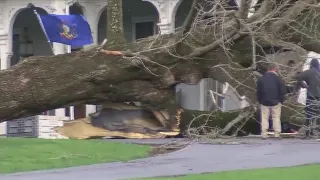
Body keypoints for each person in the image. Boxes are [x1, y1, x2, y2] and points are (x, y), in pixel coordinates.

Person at [257, 63, 286, 139]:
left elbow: (258, 91)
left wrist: (260, 100)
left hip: (264, 101)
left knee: (264, 118)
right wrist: (281, 100)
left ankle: (264, 134)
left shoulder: (262, 79)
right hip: (275, 101)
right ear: (275, 69)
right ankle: (277, 134)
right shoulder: (278, 79)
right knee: (276, 117)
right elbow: (282, 91)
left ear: (268, 69)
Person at [295, 58, 320, 139]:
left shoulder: (309, 72)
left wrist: (304, 85)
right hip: (319, 97)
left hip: (310, 96)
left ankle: (308, 133)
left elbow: (298, 77)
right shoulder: (318, 72)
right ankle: (314, 132)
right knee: (317, 115)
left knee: (309, 114)